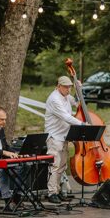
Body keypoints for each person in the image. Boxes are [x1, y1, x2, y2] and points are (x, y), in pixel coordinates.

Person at [45, 75, 85, 204]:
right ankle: (51, 193)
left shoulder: (66, 96)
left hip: (64, 136)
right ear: (59, 86)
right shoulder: (54, 99)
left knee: (62, 166)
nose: (68, 89)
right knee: (55, 166)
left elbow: (77, 103)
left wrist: (79, 90)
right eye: (66, 87)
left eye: (69, 87)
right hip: (54, 137)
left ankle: (57, 191)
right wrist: (82, 124)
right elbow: (66, 117)